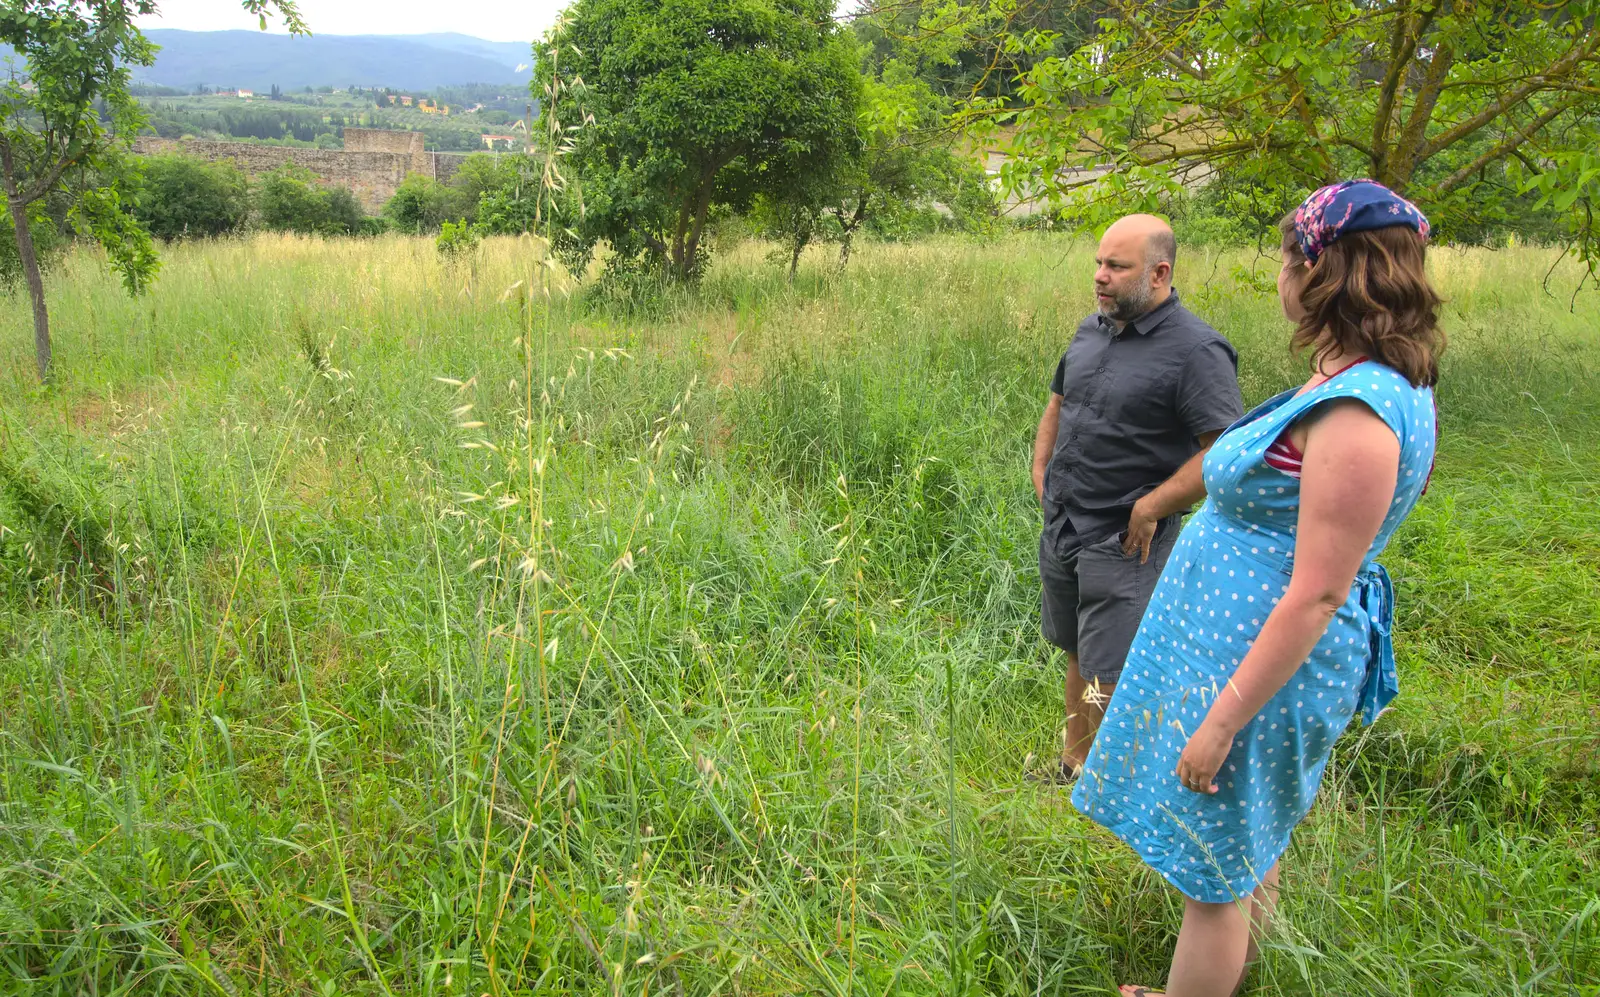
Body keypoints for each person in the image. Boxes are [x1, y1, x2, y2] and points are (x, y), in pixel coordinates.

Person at [1072, 181, 1442, 997]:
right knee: (1240, 842)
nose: (1279, 273)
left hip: (1263, 666)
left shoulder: (1360, 411)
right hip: (1238, 646)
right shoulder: (1356, 377)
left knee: (1212, 876)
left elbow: (1315, 593)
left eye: (1287, 255)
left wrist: (1222, 720)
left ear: (1322, 270)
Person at [1032, 214, 1245, 781]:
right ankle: (1075, 764)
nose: (1100, 276)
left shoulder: (1197, 351)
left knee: (1116, 663)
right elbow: (1060, 399)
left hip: (1124, 535)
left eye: (1115, 266)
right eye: (1098, 263)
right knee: (1080, 647)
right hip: (1066, 523)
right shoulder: (1092, 328)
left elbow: (1221, 454)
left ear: (1159, 273)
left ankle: (1115, 784)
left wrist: (1151, 506)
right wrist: (1041, 465)